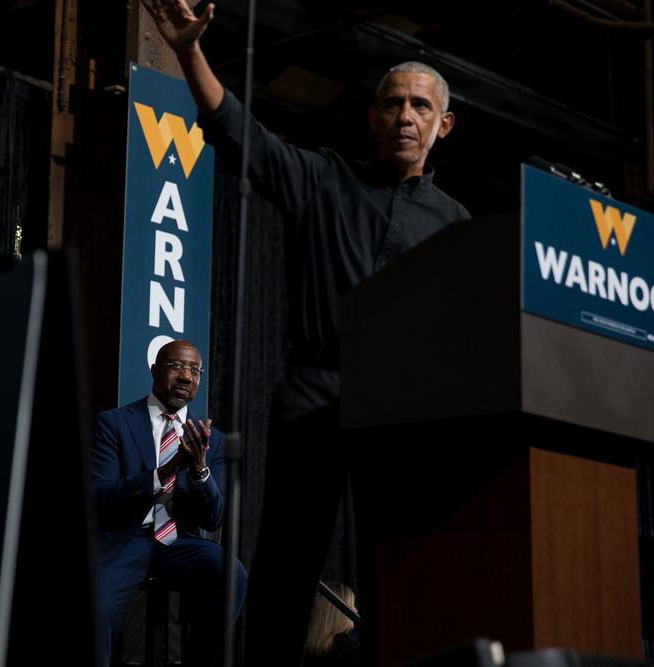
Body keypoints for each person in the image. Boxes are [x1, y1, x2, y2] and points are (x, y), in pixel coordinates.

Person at [143, 1, 472, 664]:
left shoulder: (458, 223)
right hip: (314, 394)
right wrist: (187, 51)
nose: (405, 115)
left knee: (398, 563)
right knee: (287, 564)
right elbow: (240, 133)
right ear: (373, 116)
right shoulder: (324, 179)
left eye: (419, 106)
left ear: (444, 124)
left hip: (404, 410)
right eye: (392, 103)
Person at [93, 340, 247, 666]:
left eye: (194, 370)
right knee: (97, 608)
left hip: (180, 541)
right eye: (177, 366)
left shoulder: (211, 440)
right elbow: (99, 496)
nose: (186, 377)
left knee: (232, 576)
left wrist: (201, 470)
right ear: (154, 371)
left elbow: (213, 519)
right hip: (126, 539)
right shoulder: (115, 423)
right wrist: (164, 472)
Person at [303, 583, 361, 667]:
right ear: (337, 612)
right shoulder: (350, 650)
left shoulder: (308, 645)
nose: (355, 610)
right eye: (351, 605)